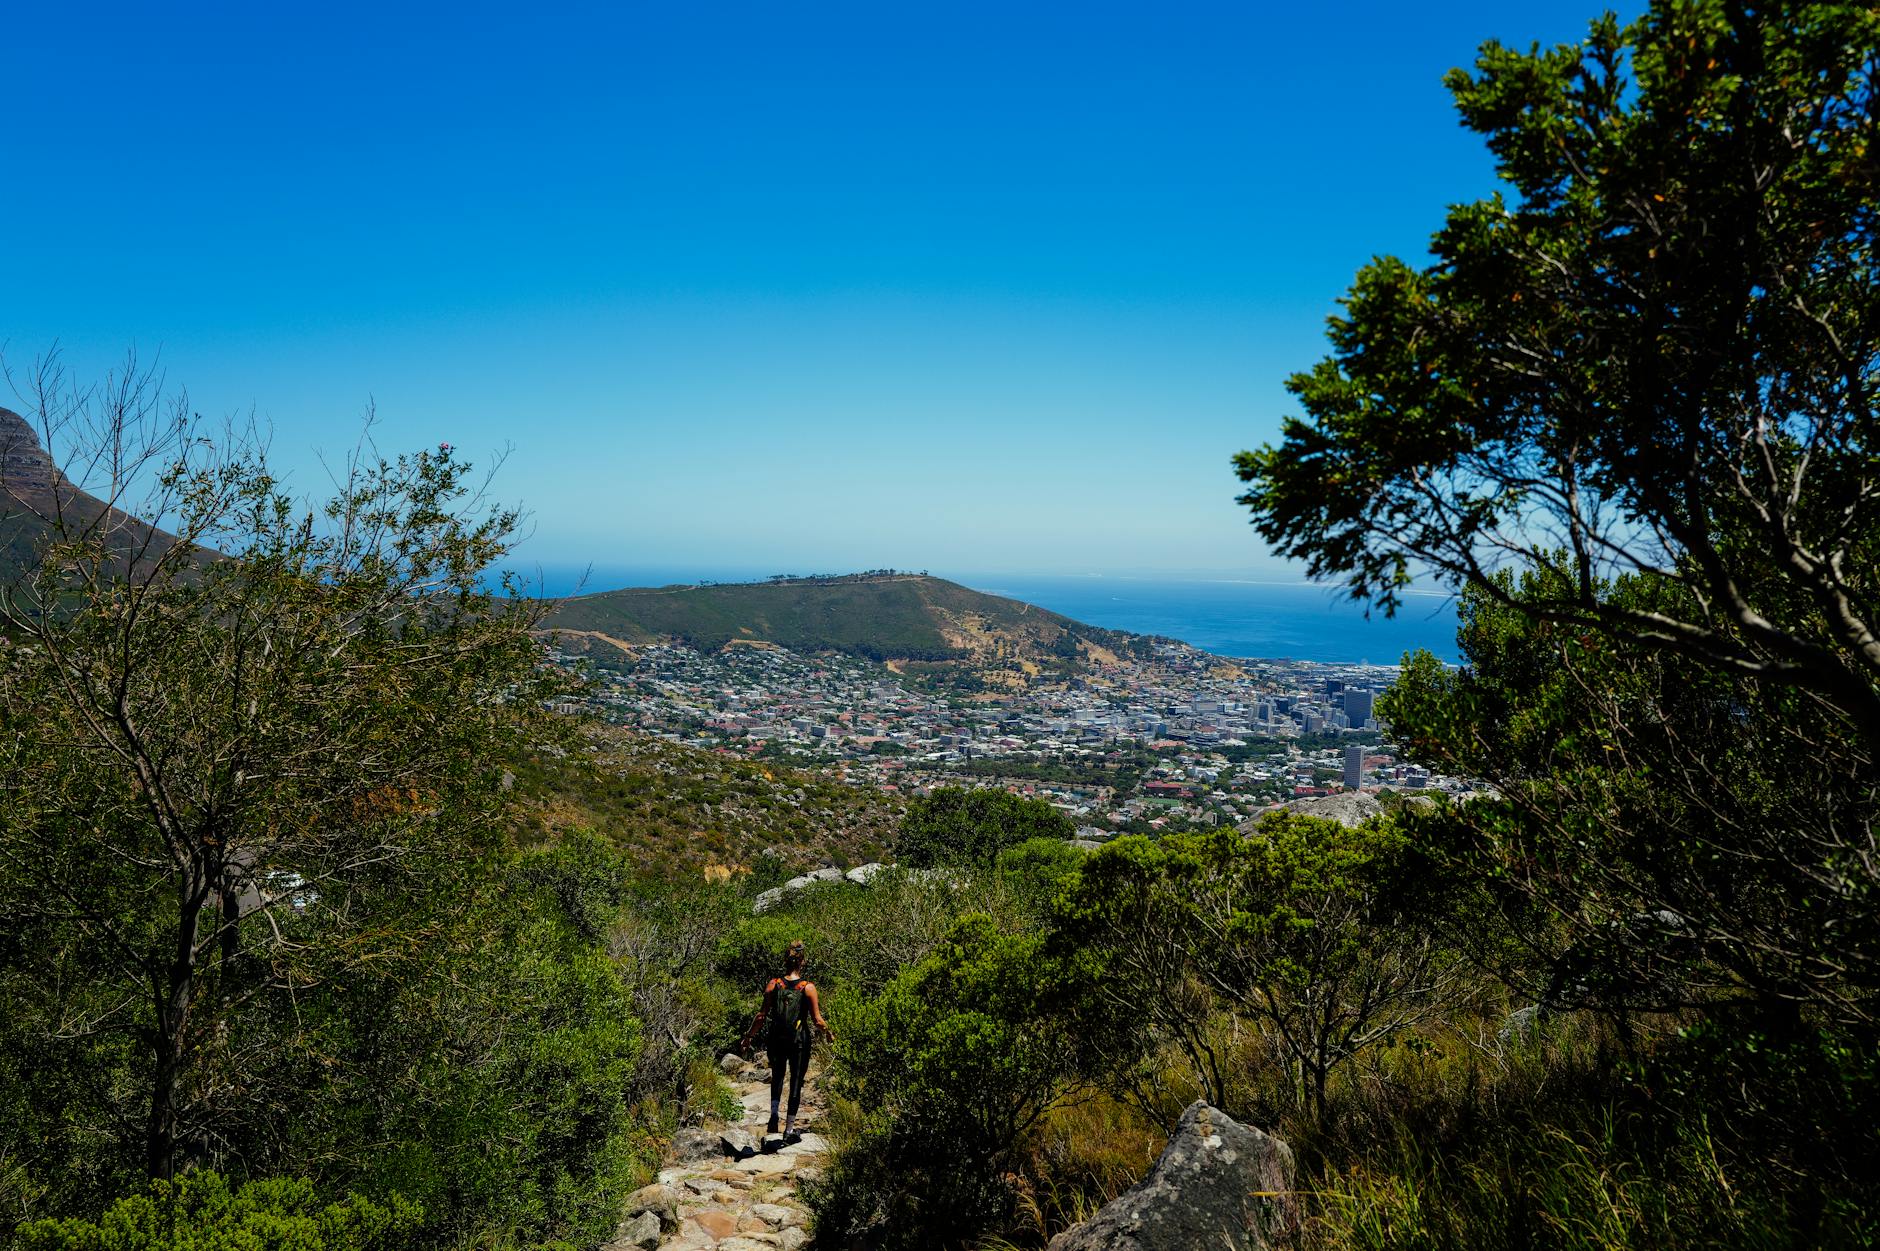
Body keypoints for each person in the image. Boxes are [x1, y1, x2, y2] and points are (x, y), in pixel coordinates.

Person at [739, 939, 834, 1138]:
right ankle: (789, 1128)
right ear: (803, 962)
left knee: (778, 1076)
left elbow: (761, 1016)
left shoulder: (774, 985)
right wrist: (829, 1033)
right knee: (796, 1081)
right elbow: (817, 1020)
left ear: (785, 961)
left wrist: (748, 1037)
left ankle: (774, 1114)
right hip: (799, 1040)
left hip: (776, 1038)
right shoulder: (808, 988)